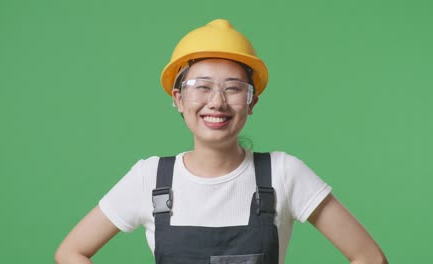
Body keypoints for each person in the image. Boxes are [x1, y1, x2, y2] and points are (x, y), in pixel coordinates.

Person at [55, 19, 388, 264]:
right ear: (178, 99)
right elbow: (71, 252)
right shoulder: (150, 178)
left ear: (252, 102)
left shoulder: (283, 173)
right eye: (201, 86)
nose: (216, 102)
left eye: (232, 88)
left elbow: (369, 257)